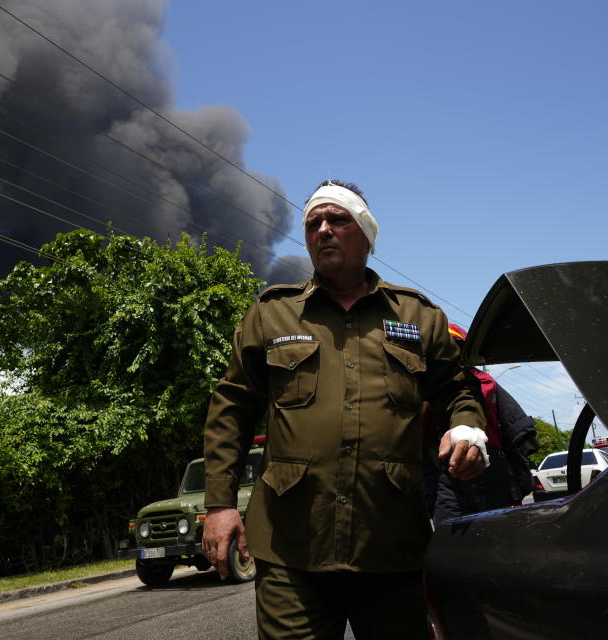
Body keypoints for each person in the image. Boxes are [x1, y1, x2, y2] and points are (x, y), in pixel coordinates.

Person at [202, 179, 489, 639]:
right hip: (290, 549)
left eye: (338, 219)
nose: (323, 230)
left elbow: (459, 391)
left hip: (391, 546)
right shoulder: (271, 314)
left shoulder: (417, 317)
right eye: (313, 222)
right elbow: (231, 408)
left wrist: (469, 432)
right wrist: (219, 505)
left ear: (366, 233)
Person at [428, 324, 540, 524]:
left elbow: (517, 433)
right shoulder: (427, 387)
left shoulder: (484, 382)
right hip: (448, 472)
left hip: (488, 465)